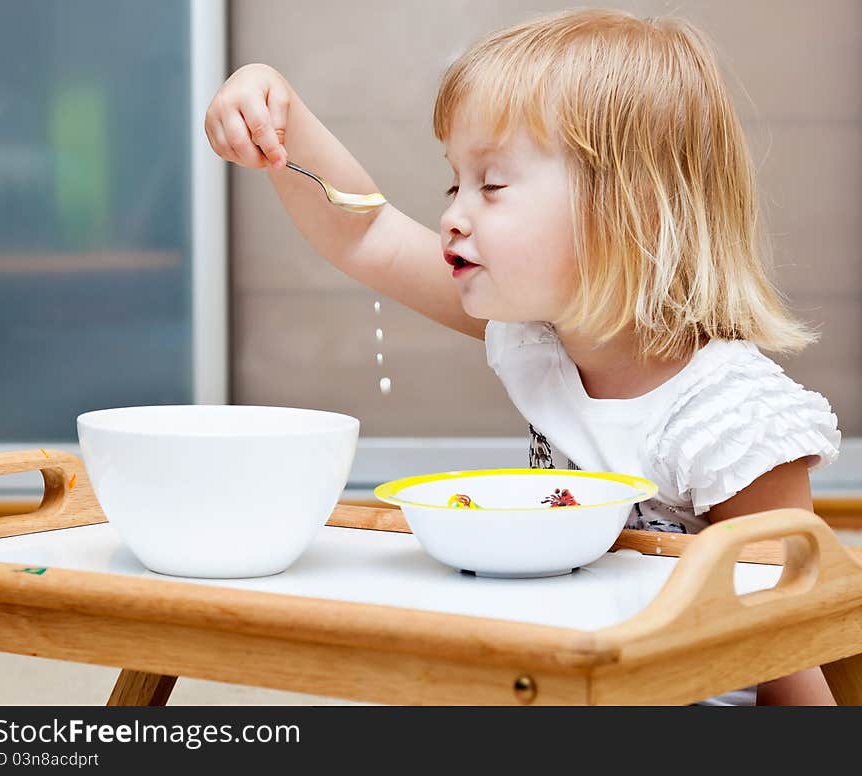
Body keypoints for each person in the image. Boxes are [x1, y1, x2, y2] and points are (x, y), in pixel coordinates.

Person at [205, 8, 841, 705]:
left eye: (493, 186)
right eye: (456, 183)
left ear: (634, 209)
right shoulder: (540, 337)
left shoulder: (731, 423)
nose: (453, 213)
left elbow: (792, 648)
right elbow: (368, 236)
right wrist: (276, 112)